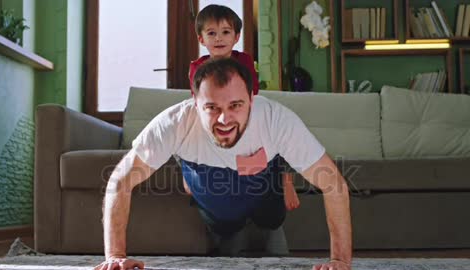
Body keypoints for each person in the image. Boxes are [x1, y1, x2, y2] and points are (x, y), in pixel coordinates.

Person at [94, 58, 352, 270]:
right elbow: (120, 180)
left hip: (263, 181)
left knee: (270, 215)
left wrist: (340, 261)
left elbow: (333, 184)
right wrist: (115, 255)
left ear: (251, 99)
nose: (224, 119)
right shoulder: (174, 122)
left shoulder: (277, 120)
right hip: (209, 185)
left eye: (235, 105)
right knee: (225, 224)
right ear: (195, 103)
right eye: (212, 107)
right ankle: (230, 229)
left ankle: (266, 225)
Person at [186, 4, 301, 212]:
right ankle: (190, 173)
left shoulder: (244, 60)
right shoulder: (198, 67)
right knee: (191, 125)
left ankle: (286, 181)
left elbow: (251, 94)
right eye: (212, 33)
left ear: (236, 37)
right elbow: (200, 102)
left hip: (244, 115)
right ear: (201, 39)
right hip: (213, 122)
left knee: (270, 130)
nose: (219, 38)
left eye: (226, 32)